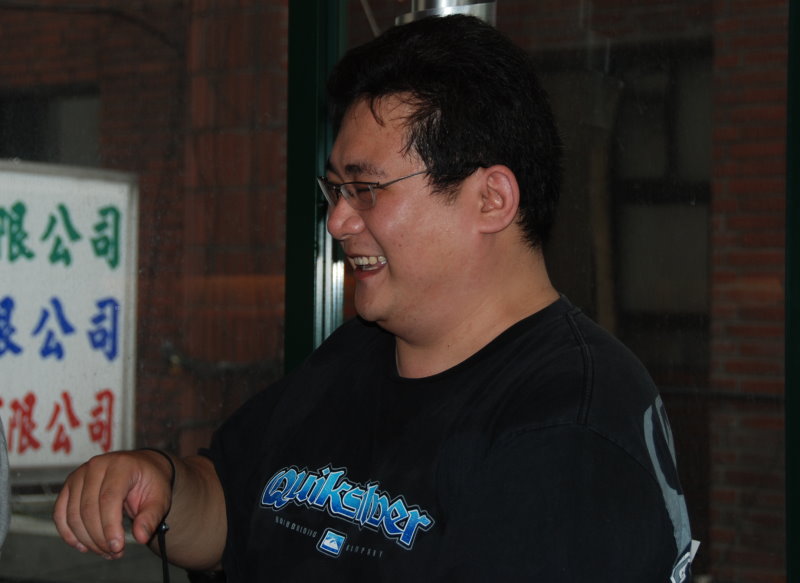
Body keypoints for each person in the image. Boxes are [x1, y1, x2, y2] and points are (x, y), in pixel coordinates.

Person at [53, 14, 694, 582]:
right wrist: (162, 484)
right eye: (335, 190)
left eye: (366, 190)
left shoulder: (569, 428)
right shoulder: (358, 351)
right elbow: (232, 499)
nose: (337, 221)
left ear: (491, 199)